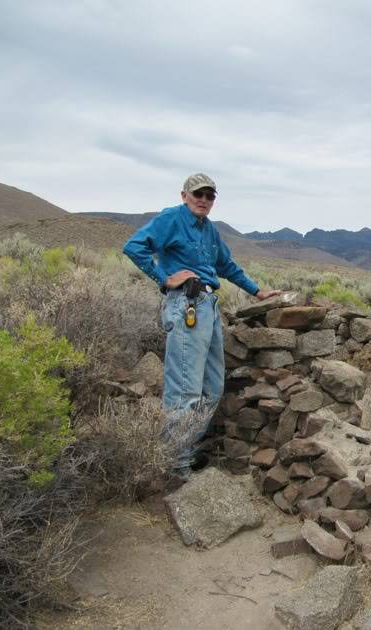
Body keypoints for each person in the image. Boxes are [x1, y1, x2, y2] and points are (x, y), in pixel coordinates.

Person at [123, 173, 280, 478]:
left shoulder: (209, 231)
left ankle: (186, 452)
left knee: (212, 388)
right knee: (185, 390)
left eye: (210, 196)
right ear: (184, 195)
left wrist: (257, 291)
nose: (204, 200)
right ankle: (173, 467)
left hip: (207, 306)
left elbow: (227, 266)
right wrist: (164, 278)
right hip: (186, 305)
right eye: (198, 194)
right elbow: (134, 246)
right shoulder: (172, 218)